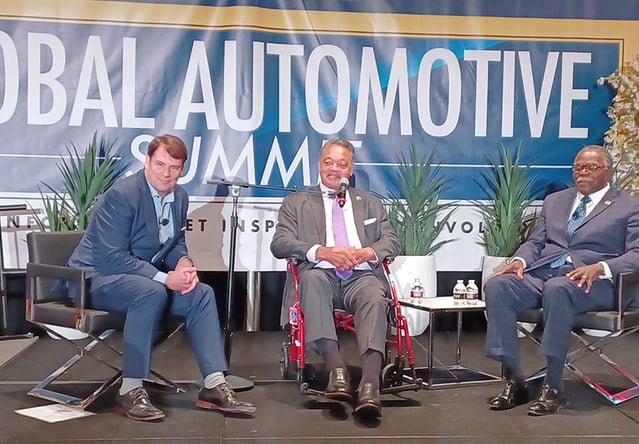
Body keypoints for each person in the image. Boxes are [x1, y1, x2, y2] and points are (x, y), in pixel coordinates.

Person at [68, 134, 256, 421]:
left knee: (201, 292)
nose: (166, 173)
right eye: (160, 164)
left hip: (140, 279)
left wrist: (184, 264)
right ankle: (130, 388)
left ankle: (214, 384)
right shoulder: (123, 195)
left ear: (182, 170)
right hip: (97, 278)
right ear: (147, 161)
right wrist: (164, 279)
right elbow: (112, 257)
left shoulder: (179, 196)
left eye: (174, 167)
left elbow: (174, 244)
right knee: (151, 291)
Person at [483, 145, 639, 416]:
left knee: (559, 287)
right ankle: (514, 380)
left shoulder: (629, 206)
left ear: (607, 172)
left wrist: (601, 267)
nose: (582, 172)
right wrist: (520, 261)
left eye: (591, 167)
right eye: (578, 167)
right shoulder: (556, 201)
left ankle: (553, 387)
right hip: (544, 274)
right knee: (498, 285)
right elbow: (536, 242)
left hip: (594, 284)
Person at [270, 138, 401, 417]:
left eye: (342, 164)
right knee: (313, 280)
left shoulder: (370, 203)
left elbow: (392, 241)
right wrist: (322, 252)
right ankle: (336, 369)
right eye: (328, 162)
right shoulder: (296, 202)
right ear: (319, 165)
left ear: (351, 169)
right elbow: (280, 243)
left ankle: (369, 384)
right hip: (320, 274)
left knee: (374, 295)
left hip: (360, 276)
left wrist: (367, 252)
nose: (334, 169)